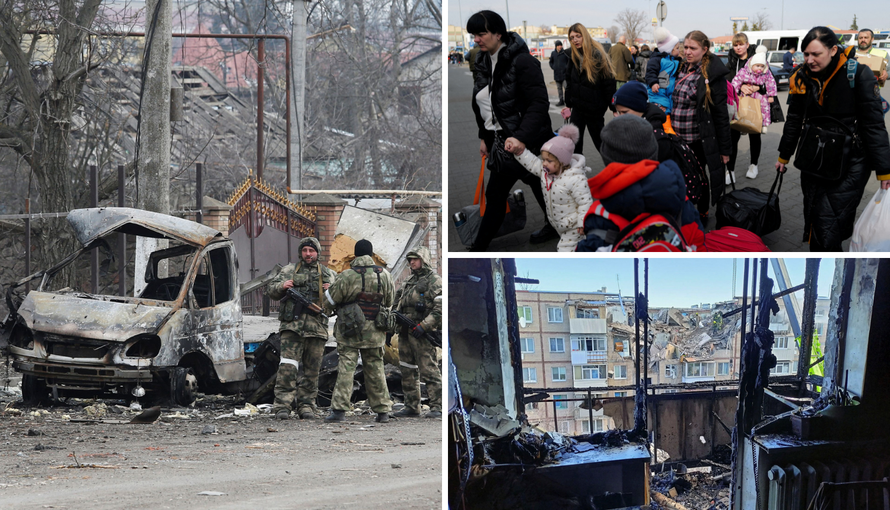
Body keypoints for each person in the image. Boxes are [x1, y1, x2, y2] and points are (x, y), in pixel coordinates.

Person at [776, 27, 890, 251]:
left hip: (852, 162)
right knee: (815, 216)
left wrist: (884, 170)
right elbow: (794, 119)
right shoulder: (800, 77)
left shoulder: (859, 74)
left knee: (826, 222)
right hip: (814, 159)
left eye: (815, 54)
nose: (809, 60)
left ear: (833, 50)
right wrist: (783, 156)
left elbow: (874, 126)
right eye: (805, 54)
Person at [468, 10, 556, 249]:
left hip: (528, 144)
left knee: (541, 187)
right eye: (473, 35)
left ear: (498, 33)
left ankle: (556, 226)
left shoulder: (523, 61)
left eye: (481, 33)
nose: (476, 39)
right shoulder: (482, 61)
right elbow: (483, 104)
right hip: (502, 145)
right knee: (496, 196)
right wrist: (484, 136)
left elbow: (538, 104)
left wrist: (521, 138)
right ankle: (479, 247)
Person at [575, 115, 705, 251]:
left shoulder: (600, 214)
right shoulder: (681, 200)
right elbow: (699, 242)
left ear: (607, 160)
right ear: (654, 153)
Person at [265, 237, 337, 420]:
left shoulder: (329, 274)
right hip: (292, 329)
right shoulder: (288, 271)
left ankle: (306, 405)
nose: (308, 254)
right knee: (288, 368)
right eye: (305, 250)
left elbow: (339, 302)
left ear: (317, 253)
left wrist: (332, 291)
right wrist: (282, 286)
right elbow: (271, 290)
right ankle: (282, 406)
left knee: (312, 370)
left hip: (317, 329)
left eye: (311, 251)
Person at [323, 240, 394, 423]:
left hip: (350, 330)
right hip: (376, 331)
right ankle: (383, 411)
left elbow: (330, 301)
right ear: (371, 255)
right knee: (376, 369)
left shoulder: (346, 276)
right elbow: (389, 302)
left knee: (346, 369)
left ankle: (339, 411)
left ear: (355, 255)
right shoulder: (384, 275)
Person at [671, 30, 731, 222]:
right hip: (676, 139)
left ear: (704, 49)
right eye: (685, 47)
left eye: (693, 48)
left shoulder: (712, 76)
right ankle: (683, 209)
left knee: (700, 178)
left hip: (698, 139)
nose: (687, 51)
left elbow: (721, 115)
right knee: (679, 177)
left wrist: (725, 149)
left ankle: (703, 212)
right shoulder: (681, 67)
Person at [505, 124, 593, 251]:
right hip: (559, 224)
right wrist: (519, 152)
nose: (544, 163)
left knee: (565, 250)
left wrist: (582, 222)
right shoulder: (546, 172)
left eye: (549, 161)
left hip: (573, 227)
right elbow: (532, 162)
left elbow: (585, 202)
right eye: (544, 159)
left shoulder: (576, 179)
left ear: (562, 161)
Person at [392, 246, 442, 419]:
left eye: (415, 259)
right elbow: (397, 304)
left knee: (429, 369)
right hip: (405, 332)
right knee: (407, 369)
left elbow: (440, 308)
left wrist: (424, 326)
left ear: (424, 260)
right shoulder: (409, 281)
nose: (412, 262)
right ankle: (412, 406)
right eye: (410, 259)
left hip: (421, 333)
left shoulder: (434, 280)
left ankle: (438, 406)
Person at [562, 23, 616, 155]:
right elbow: (569, 81)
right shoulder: (572, 56)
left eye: (578, 36)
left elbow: (608, 83)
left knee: (602, 144)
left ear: (584, 36)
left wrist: (613, 107)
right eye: (572, 38)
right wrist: (568, 104)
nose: (575, 40)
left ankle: (616, 171)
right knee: (574, 144)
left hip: (594, 109)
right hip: (578, 109)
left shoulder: (597, 55)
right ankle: (576, 173)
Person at [725, 32, 761, 186]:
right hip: (736, 104)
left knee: (754, 133)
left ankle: (754, 165)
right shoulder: (731, 62)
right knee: (733, 137)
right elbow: (726, 81)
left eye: (741, 44)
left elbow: (768, 80)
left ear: (747, 44)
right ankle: (730, 171)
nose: (738, 47)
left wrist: (754, 87)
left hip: (754, 103)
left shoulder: (757, 59)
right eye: (735, 45)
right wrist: (740, 86)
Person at [731, 45, 778, 157]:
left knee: (763, 110)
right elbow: (735, 81)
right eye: (757, 66)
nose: (760, 69)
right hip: (745, 97)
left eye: (762, 66)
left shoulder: (766, 73)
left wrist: (770, 95)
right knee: (743, 111)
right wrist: (736, 91)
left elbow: (771, 83)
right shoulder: (742, 70)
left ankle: (763, 124)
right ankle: (742, 123)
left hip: (760, 98)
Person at [646, 28, 682, 115]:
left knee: (669, 110)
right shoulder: (656, 60)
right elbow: (650, 73)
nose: (679, 50)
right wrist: (653, 83)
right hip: (658, 93)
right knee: (662, 113)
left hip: (669, 93)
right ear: (670, 49)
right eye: (677, 48)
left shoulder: (676, 61)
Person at [550, 41, 569, 106]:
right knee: (559, 89)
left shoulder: (565, 53)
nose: (560, 46)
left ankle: (568, 101)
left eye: (561, 45)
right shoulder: (553, 53)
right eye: (558, 45)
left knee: (566, 88)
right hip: (557, 74)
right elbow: (551, 62)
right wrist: (554, 67)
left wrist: (566, 68)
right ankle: (561, 101)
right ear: (556, 46)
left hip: (564, 75)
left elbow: (569, 62)